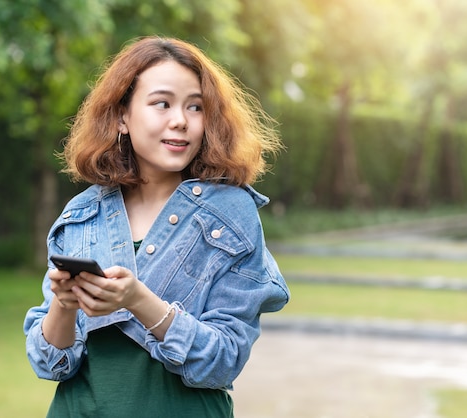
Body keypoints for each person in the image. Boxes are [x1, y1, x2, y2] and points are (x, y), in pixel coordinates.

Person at [23, 36, 290, 418]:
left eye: (195, 106)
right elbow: (50, 364)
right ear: (122, 117)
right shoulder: (82, 214)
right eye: (161, 103)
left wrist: (138, 300)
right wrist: (65, 306)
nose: (180, 120)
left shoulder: (231, 213)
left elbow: (223, 360)